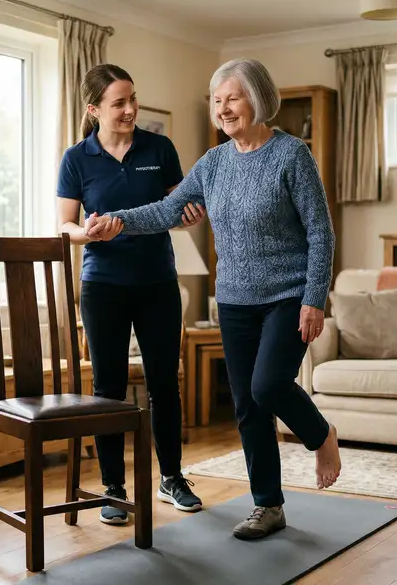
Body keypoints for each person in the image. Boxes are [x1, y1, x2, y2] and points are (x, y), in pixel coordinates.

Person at [85, 58, 342, 540]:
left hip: (287, 296)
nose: (223, 109)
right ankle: (268, 505)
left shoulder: (292, 155)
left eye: (233, 98)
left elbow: (320, 232)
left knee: (268, 386)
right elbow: (167, 209)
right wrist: (116, 220)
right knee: (247, 404)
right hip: (235, 301)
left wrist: (314, 298)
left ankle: (320, 434)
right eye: (217, 100)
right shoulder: (213, 163)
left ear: (258, 99)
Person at [57, 63, 205, 526]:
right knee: (108, 390)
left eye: (132, 99)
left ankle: (172, 478)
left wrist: (189, 216)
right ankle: (113, 488)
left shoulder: (159, 148)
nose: (129, 109)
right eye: (119, 102)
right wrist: (87, 234)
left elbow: (177, 207)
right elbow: (63, 226)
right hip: (102, 287)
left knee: (164, 384)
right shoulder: (76, 159)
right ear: (94, 109)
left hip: (158, 283)